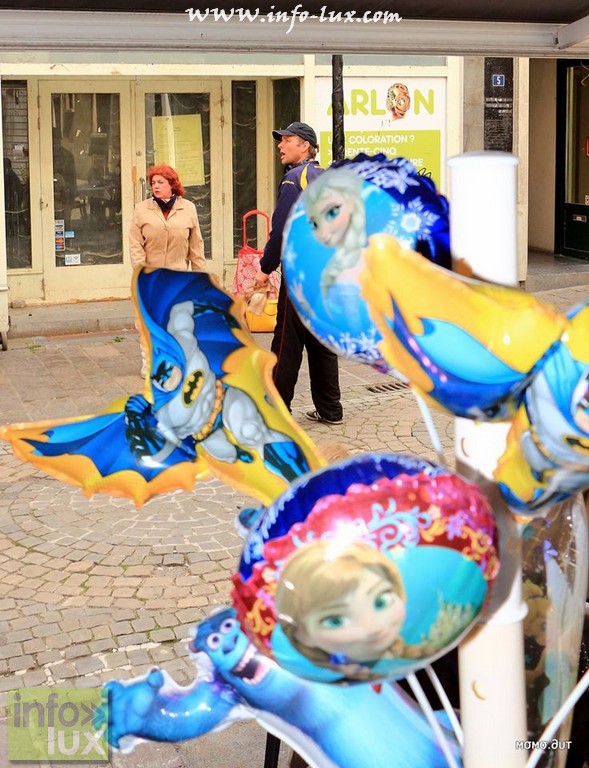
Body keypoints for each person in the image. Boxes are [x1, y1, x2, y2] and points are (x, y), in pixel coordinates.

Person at [255, 122, 343, 426]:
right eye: (280, 141)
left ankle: (277, 412)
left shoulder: (294, 179)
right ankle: (331, 410)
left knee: (286, 343)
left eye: (287, 140)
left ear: (305, 146)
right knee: (322, 342)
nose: (280, 145)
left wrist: (265, 267)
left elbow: (281, 229)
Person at [274, 540, 413, 680]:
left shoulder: (415, 652)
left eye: (381, 602)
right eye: (336, 621)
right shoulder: (324, 684)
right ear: (302, 635)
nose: (374, 627)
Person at [129, 163, 205, 271]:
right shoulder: (141, 209)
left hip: (178, 274)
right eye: (153, 183)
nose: (156, 186)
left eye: (160, 182)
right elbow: (135, 246)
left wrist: (199, 276)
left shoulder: (188, 208)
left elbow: (196, 247)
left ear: (172, 184)